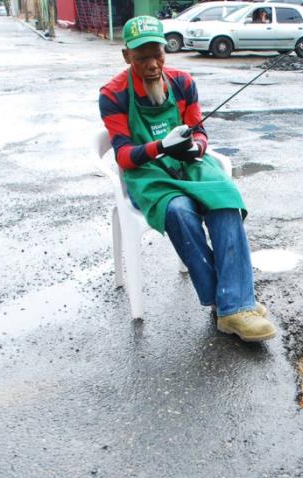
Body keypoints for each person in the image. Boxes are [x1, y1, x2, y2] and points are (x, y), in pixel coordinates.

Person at [98, 16, 278, 342]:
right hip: (147, 174)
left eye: (157, 55)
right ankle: (232, 302)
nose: (152, 65)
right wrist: (160, 146)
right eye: (141, 58)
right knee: (180, 210)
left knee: (226, 198)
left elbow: (200, 130)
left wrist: (197, 147)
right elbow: (123, 155)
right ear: (127, 56)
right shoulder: (113, 94)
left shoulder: (183, 82)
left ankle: (232, 305)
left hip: (188, 164)